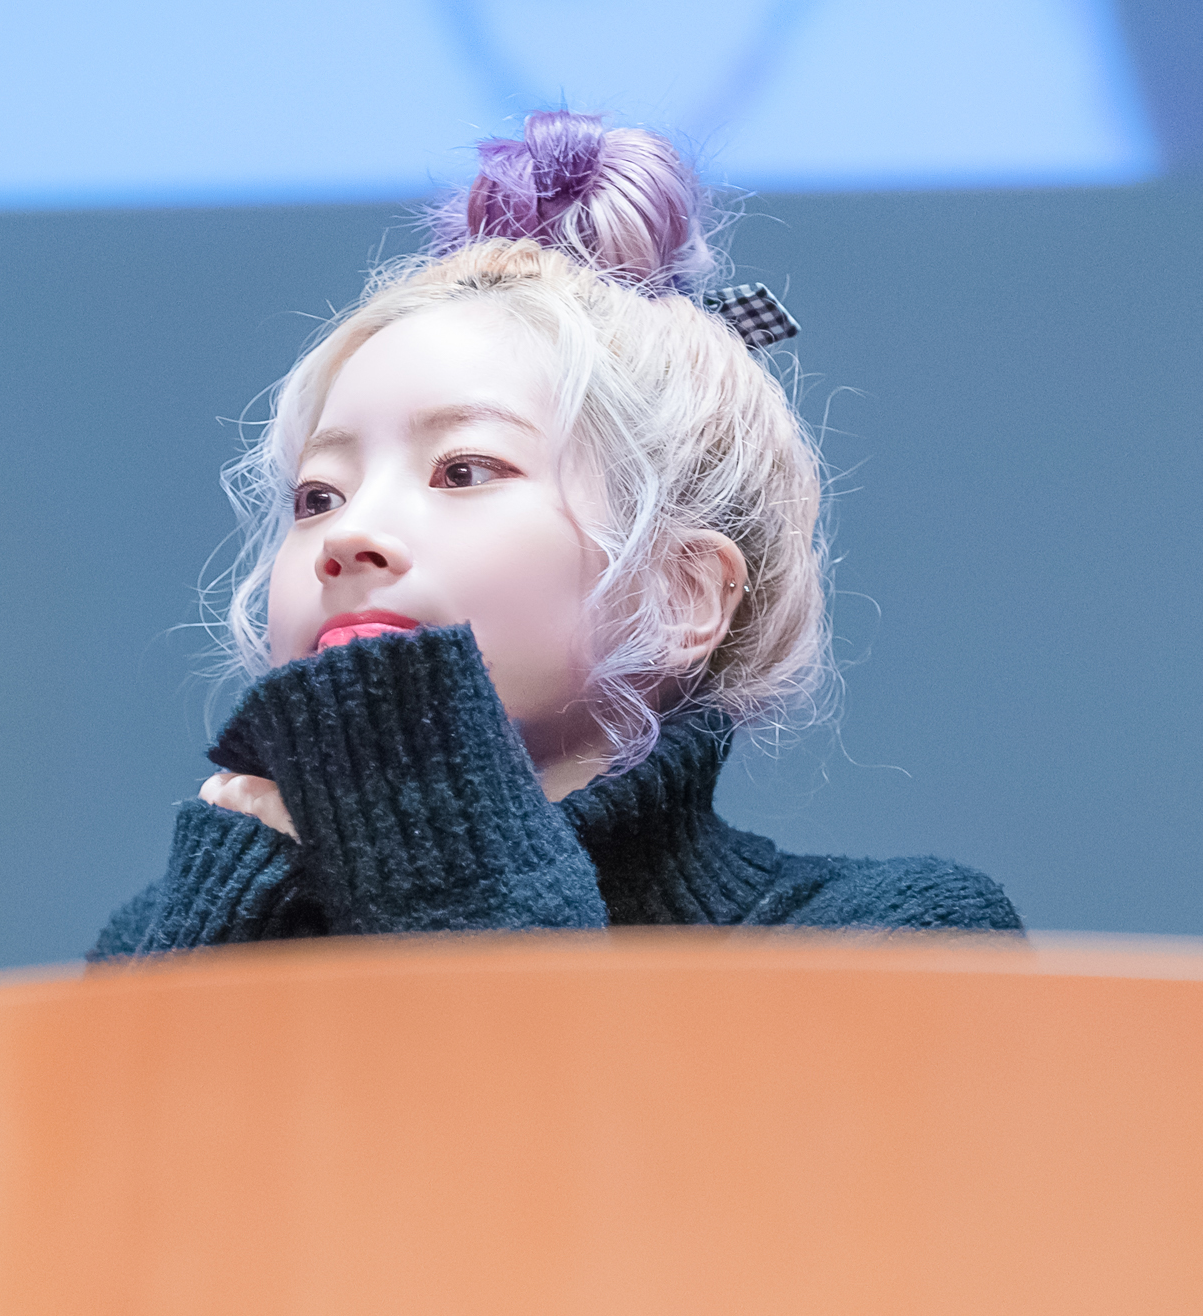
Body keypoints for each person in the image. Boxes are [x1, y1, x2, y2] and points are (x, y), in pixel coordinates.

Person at [91, 110, 1021, 958]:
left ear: (683, 592)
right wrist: (218, 937)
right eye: (316, 496)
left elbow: (556, 1091)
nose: (350, 533)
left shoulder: (889, 935)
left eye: (463, 470)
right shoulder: (165, 930)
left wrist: (437, 848)